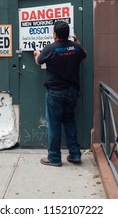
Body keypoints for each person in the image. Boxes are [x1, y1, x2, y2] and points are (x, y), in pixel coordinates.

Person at [33, 21, 87, 167]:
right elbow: (84, 55)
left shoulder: (50, 48)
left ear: (55, 34)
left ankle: (54, 157)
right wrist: (77, 42)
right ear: (68, 33)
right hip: (72, 92)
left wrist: (37, 53)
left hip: (55, 93)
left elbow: (38, 61)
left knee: (54, 124)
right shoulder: (76, 47)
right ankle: (75, 154)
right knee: (69, 121)